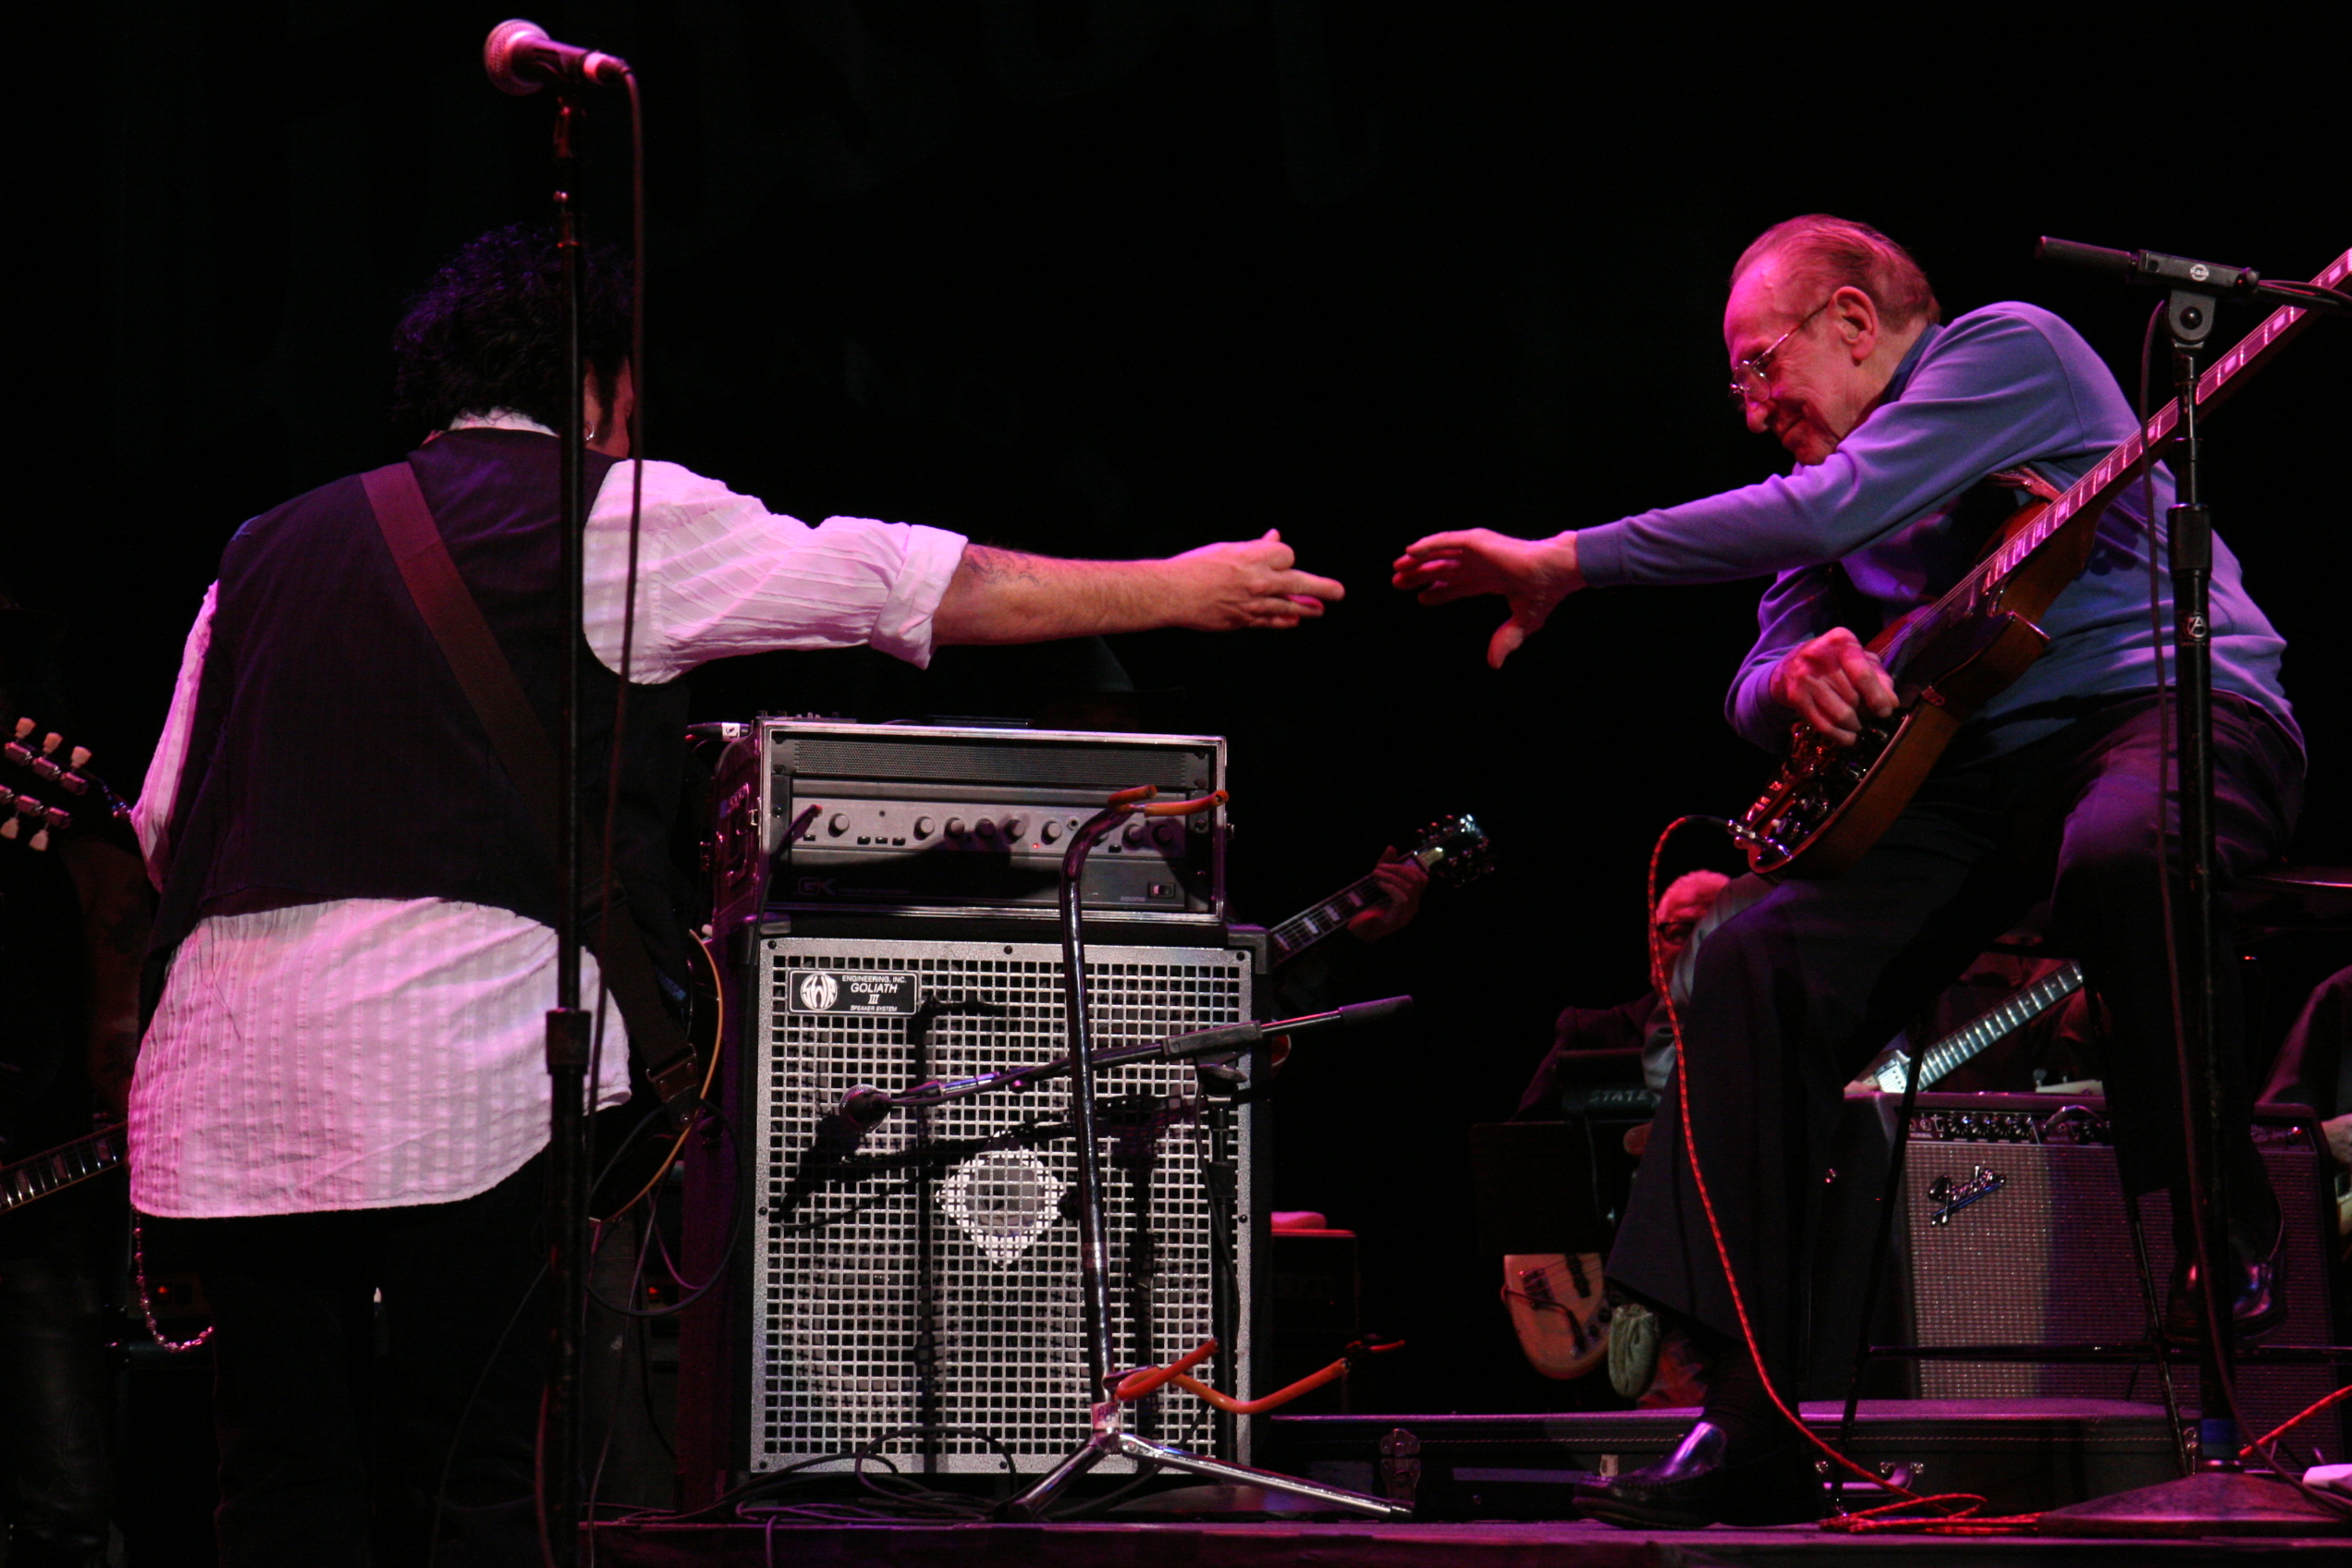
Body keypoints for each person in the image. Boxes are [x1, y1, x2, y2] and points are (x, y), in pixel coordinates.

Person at [128, 225, 1345, 1566]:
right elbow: (904, 582)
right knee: (470, 1482)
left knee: (277, 1485)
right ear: (602, 381)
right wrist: (1178, 588)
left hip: (227, 1082)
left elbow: (164, 824)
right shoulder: (611, 517)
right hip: (452, 1069)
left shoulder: (261, 552)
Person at [1394, 214, 2302, 1526]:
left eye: (1760, 367)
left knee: (2120, 850)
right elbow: (1760, 665)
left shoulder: (2006, 353)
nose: (1753, 407)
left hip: (2161, 707)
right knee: (1746, 958)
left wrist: (1566, 562)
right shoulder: (1841, 482)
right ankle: (1749, 1415)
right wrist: (1797, 682)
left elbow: (1828, 507)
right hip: (1973, 773)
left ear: (1854, 323)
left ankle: (2221, 1222)